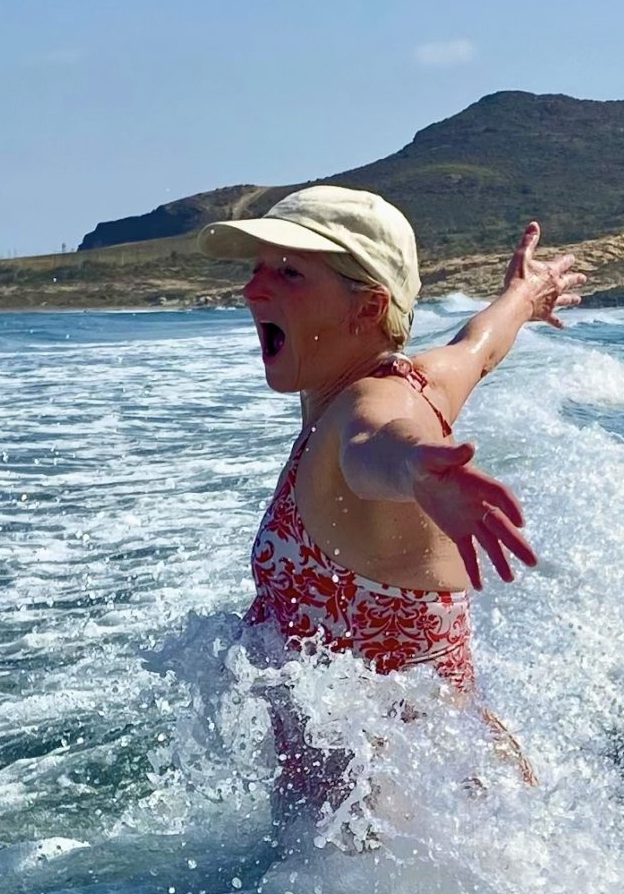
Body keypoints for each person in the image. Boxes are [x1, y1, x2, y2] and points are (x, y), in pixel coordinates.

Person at [197, 185, 583, 811]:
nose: (252, 290)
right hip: (442, 796)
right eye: (257, 268)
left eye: (290, 274)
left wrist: (417, 469)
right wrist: (524, 296)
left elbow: (376, 445)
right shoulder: (417, 380)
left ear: (366, 307)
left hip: (405, 826)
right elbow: (477, 348)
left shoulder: (367, 410)